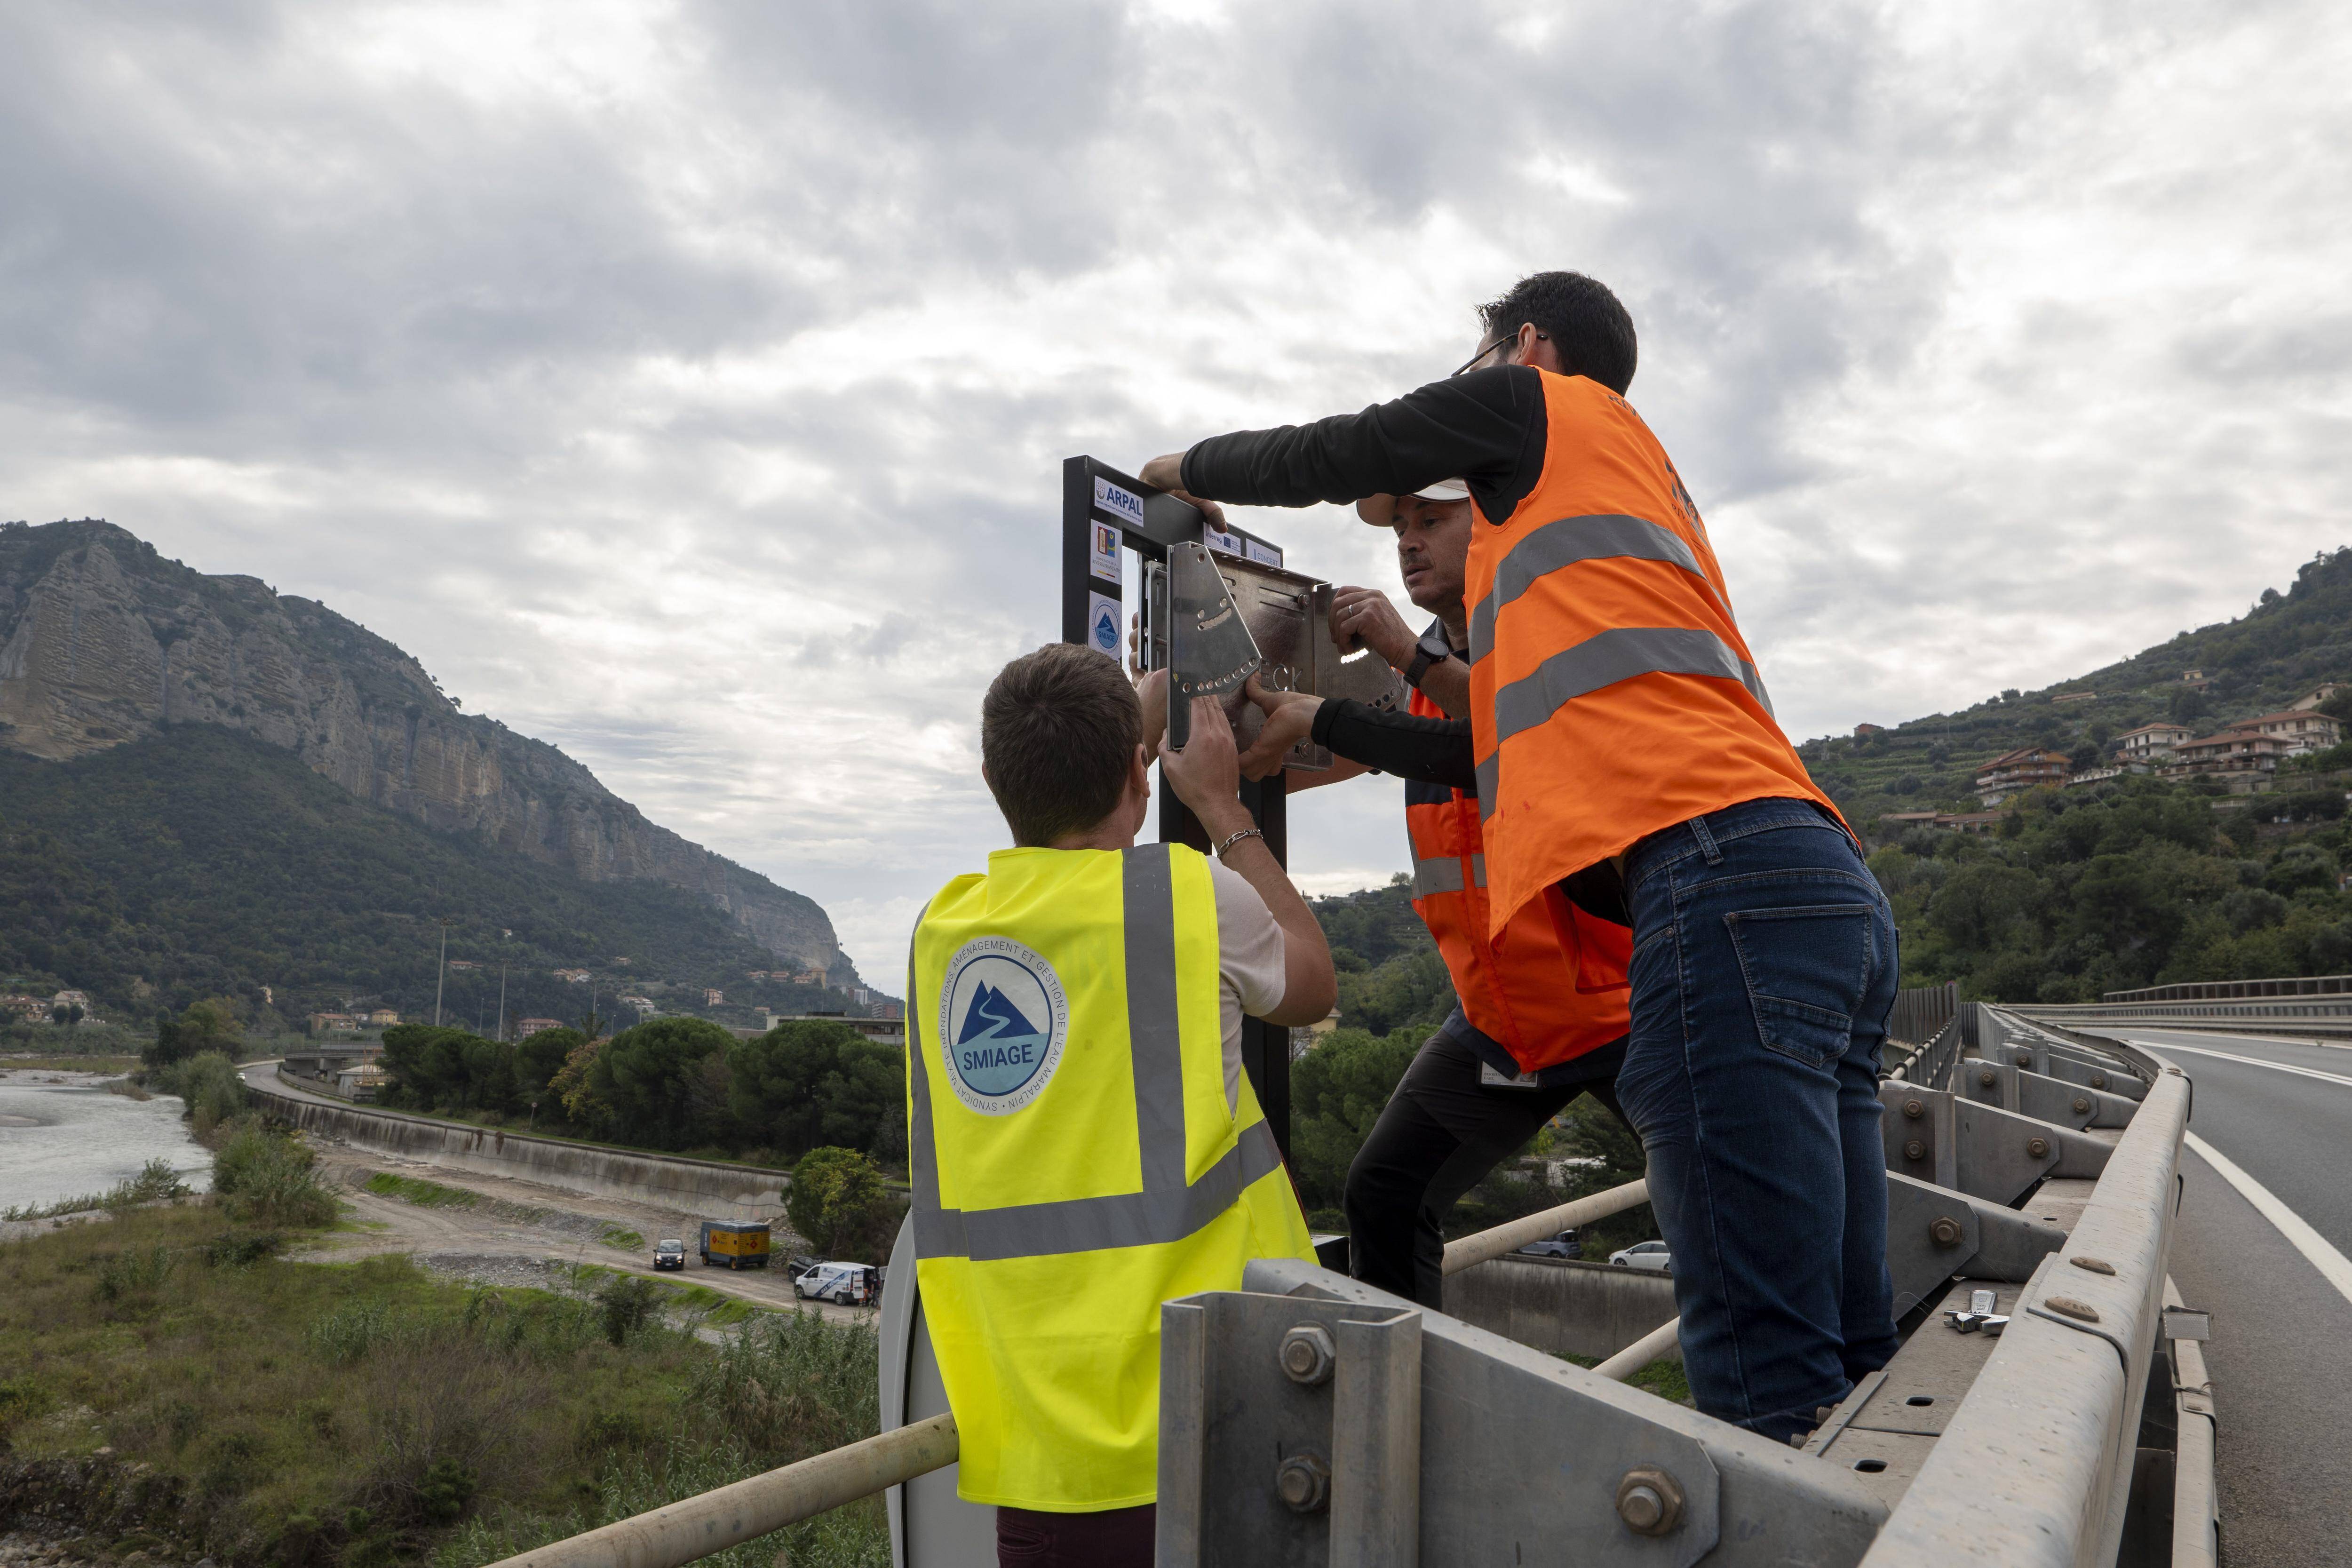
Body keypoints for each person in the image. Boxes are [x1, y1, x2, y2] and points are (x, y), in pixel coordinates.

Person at [1135, 270, 1899, 1445]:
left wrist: (1186, 472)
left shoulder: (1536, 408)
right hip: (1814, 879)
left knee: (1770, 1392)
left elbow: (1349, 449)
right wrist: (1337, 709)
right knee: (1850, 1369)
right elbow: (1489, 735)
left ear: (1527, 345)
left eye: (1478, 352)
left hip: (1716, 887)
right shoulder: (1627, 479)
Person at [906, 642, 1331, 1566]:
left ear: (990, 780)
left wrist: (1134, 725)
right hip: (1214, 1413)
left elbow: (1065, 820)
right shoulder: (1188, 896)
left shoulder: (945, 934)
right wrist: (1222, 809)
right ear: (1139, 779)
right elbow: (1311, 985)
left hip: (1034, 1441)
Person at [1283, 480, 1637, 1309]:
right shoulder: (1410, 674)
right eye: (1401, 526)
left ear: (1494, 527)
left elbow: (1503, 732)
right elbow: (1290, 754)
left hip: (1628, 1010)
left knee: (1719, 1212)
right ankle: (1401, 1408)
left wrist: (1405, 652)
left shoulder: (1546, 633)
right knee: (1386, 1191)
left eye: (1431, 520)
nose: (1408, 541)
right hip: (1505, 1022)